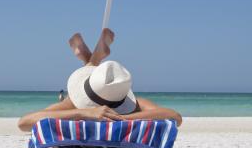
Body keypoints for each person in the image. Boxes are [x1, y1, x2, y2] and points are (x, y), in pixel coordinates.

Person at [18, 29, 182, 132]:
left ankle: (92, 59)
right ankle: (92, 58)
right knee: (101, 81)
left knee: (81, 91)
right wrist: (123, 118)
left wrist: (82, 112)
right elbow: (175, 116)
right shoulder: (137, 106)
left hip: (79, 108)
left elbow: (24, 122)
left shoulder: (73, 105)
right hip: (119, 112)